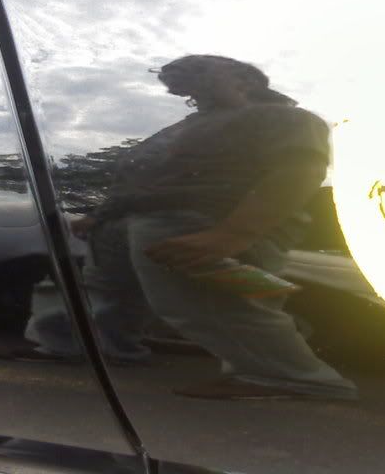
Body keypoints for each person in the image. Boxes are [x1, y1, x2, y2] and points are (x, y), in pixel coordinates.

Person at [30, 55, 357, 400]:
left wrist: (231, 235)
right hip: (133, 218)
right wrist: (103, 214)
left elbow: (299, 172)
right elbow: (148, 173)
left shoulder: (285, 117)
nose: (182, 88)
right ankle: (93, 346)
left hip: (206, 219)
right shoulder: (192, 124)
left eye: (196, 75)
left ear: (244, 79)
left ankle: (288, 376)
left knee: (205, 300)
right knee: (101, 288)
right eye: (178, 84)